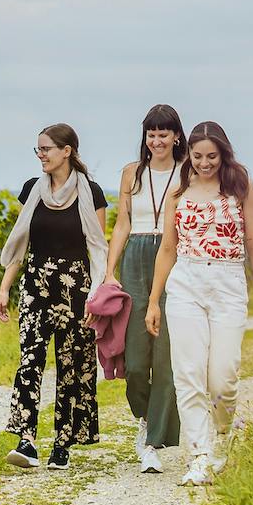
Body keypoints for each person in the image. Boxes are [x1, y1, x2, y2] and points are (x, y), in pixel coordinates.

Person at [146, 120, 253, 486]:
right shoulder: (178, 194)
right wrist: (153, 302)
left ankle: (222, 437)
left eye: (212, 156)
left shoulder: (241, 188)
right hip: (186, 284)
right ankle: (200, 455)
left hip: (227, 283)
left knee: (223, 378)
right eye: (198, 156)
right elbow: (167, 249)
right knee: (188, 373)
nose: (205, 163)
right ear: (188, 155)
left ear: (223, 154)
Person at [0, 123, 109, 470]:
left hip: (77, 286)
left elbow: (98, 249)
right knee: (30, 359)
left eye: (46, 149)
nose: (41, 155)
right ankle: (26, 439)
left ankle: (63, 443)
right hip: (36, 283)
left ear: (67, 151)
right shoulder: (32, 190)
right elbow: (19, 242)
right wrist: (4, 287)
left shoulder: (92, 192)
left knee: (70, 363)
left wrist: (98, 295)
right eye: (38, 150)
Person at [104, 104, 186, 472]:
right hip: (135, 255)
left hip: (173, 256)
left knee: (166, 356)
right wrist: (109, 272)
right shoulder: (131, 173)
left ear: (176, 136)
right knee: (135, 361)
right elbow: (121, 223)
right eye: (151, 134)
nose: (157, 140)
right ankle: (143, 418)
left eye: (163, 133)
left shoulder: (187, 173)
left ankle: (153, 441)